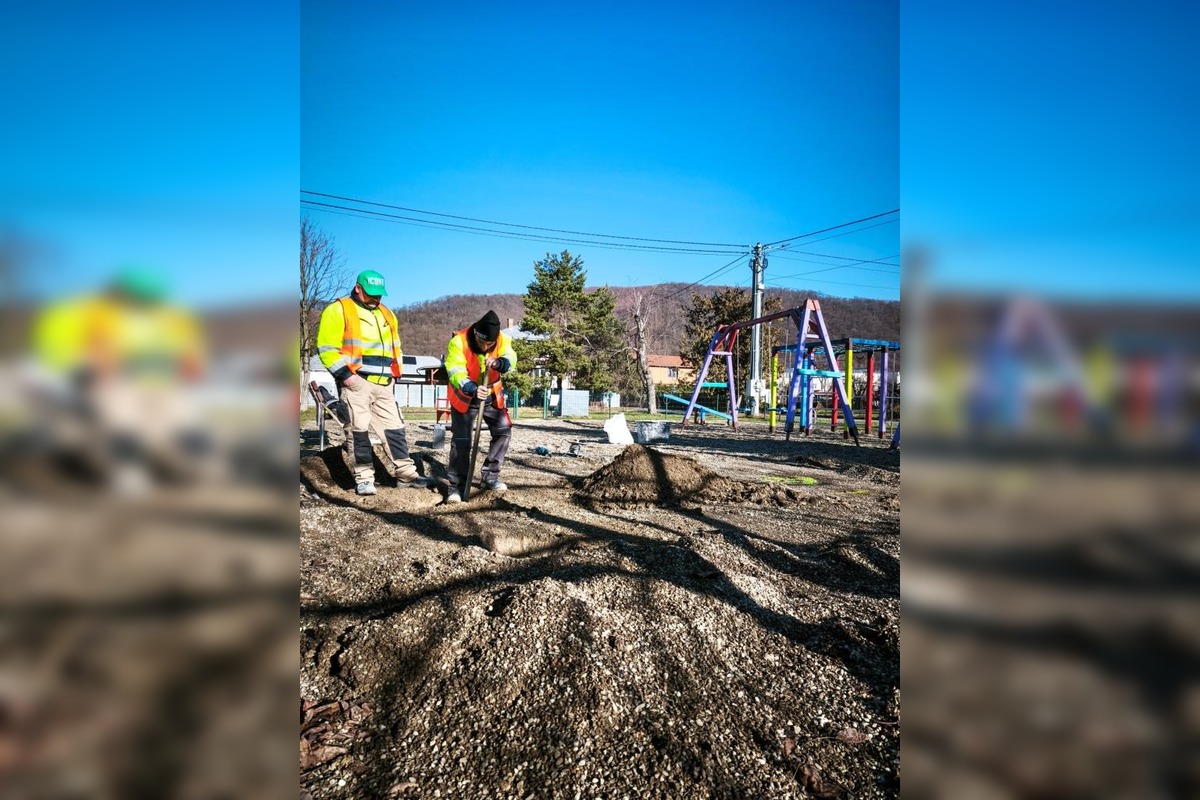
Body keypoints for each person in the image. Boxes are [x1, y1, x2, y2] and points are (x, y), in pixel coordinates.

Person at [31, 264, 209, 492]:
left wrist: (194, 364)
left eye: (150, 299)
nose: (144, 303)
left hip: (165, 380)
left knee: (186, 426)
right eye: (138, 297)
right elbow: (56, 343)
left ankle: (198, 467)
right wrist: (76, 367)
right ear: (119, 290)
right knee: (123, 426)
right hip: (113, 379)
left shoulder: (173, 314)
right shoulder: (87, 310)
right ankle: (127, 472)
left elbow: (190, 345)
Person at [316, 269, 426, 495]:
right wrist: (347, 377)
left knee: (395, 430)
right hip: (357, 382)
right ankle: (364, 479)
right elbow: (326, 349)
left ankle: (406, 474)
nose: (376, 298)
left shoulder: (387, 313)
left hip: (385, 384)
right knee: (358, 431)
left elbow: (396, 347)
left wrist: (396, 374)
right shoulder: (339, 309)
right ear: (358, 288)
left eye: (379, 294)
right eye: (371, 293)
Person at [443, 310, 517, 503]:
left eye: (489, 344)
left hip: (492, 394)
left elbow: (511, 357)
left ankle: (490, 477)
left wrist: (501, 363)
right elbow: (455, 370)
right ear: (476, 333)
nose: (485, 347)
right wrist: (472, 388)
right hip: (465, 395)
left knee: (503, 431)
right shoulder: (458, 341)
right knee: (462, 441)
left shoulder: (502, 339)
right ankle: (456, 488)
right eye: (482, 342)